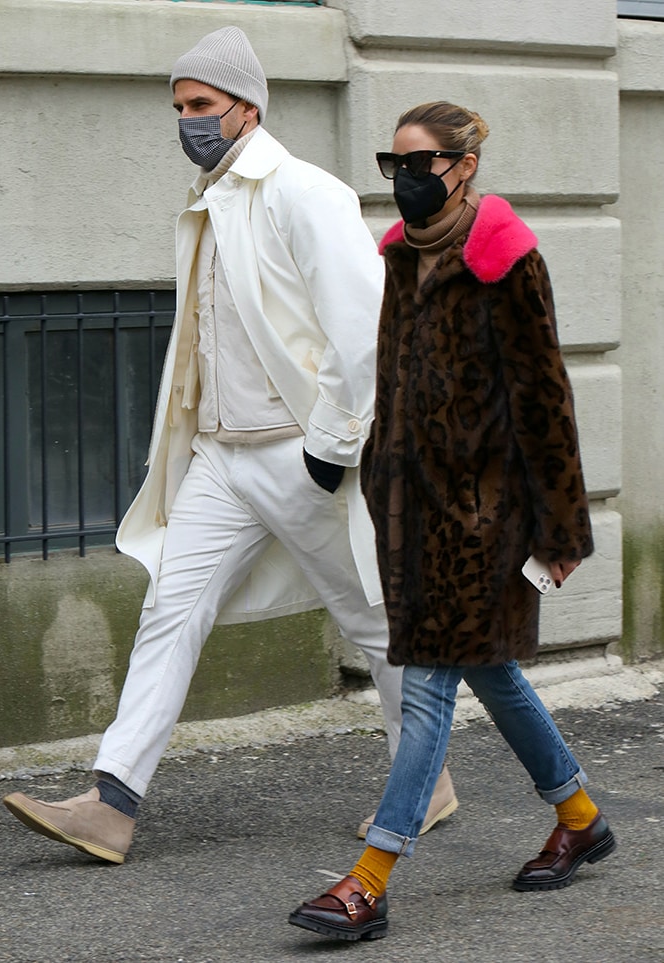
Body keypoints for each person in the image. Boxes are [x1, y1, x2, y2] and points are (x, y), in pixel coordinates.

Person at [2, 28, 458, 865]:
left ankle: (423, 780)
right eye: (179, 107)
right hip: (221, 455)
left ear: (248, 107)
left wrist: (330, 446)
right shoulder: (210, 196)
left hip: (300, 452)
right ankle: (111, 801)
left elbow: (366, 332)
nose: (188, 121)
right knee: (168, 615)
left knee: (371, 618)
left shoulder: (304, 192)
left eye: (202, 106)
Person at [288, 101, 616, 942]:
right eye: (393, 163)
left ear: (463, 166)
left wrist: (560, 527)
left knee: (429, 685)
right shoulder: (400, 258)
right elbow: (392, 385)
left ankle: (370, 879)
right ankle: (579, 816)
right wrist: (377, 481)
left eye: (420, 163)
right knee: (491, 673)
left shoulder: (509, 261)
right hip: (412, 508)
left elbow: (546, 400)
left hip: (486, 517)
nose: (404, 180)